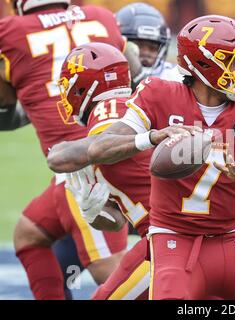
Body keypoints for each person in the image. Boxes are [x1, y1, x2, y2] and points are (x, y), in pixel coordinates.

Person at [82, 15, 235, 299]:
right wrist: (151, 136)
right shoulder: (160, 96)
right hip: (173, 241)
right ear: (203, 65)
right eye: (234, 61)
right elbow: (99, 146)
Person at [0, 0, 129, 299]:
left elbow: (5, 107)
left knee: (109, 271)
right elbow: (131, 67)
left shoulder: (9, 32)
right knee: (29, 233)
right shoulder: (101, 16)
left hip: (83, 166)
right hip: (112, 141)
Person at [47, 42, 152, 300]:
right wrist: (92, 212)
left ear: (85, 87)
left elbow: (61, 158)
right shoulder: (127, 109)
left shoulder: (111, 108)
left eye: (69, 86)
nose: (66, 95)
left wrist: (60, 151)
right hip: (166, 233)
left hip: (175, 236)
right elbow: (116, 222)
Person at [116, 2, 183, 89]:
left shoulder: (174, 78)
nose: (146, 53)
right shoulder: (108, 74)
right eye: (138, 46)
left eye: (152, 48)